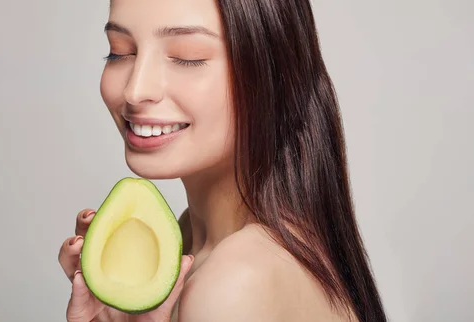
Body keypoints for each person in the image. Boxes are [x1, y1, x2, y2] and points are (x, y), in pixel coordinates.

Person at [58, 0, 388, 321]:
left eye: (187, 57)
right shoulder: (191, 236)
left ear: (275, 74)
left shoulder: (233, 284)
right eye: (120, 51)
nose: (135, 90)